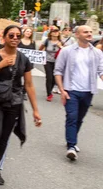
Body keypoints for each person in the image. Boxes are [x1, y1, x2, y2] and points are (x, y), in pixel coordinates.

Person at [0, 25, 41, 185]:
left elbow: (29, 85)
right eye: (11, 35)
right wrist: (1, 65)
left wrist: (35, 110)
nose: (15, 38)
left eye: (18, 36)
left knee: (4, 138)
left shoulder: (23, 59)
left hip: (14, 102)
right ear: (4, 37)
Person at [54, 26, 103, 161]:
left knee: (79, 118)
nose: (89, 34)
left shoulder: (97, 53)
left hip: (88, 91)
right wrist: (62, 90)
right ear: (77, 35)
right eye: (85, 32)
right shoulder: (67, 51)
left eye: (90, 32)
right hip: (71, 90)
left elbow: (101, 71)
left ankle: (71, 138)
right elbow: (58, 71)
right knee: (72, 117)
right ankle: (71, 146)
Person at [39, 26, 62, 102]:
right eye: (54, 31)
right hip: (47, 61)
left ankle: (51, 89)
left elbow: (66, 52)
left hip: (57, 62)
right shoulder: (47, 41)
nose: (55, 32)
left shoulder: (61, 41)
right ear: (51, 33)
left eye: (57, 31)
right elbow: (40, 49)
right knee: (49, 77)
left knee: (54, 79)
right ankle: (49, 94)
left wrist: (60, 46)